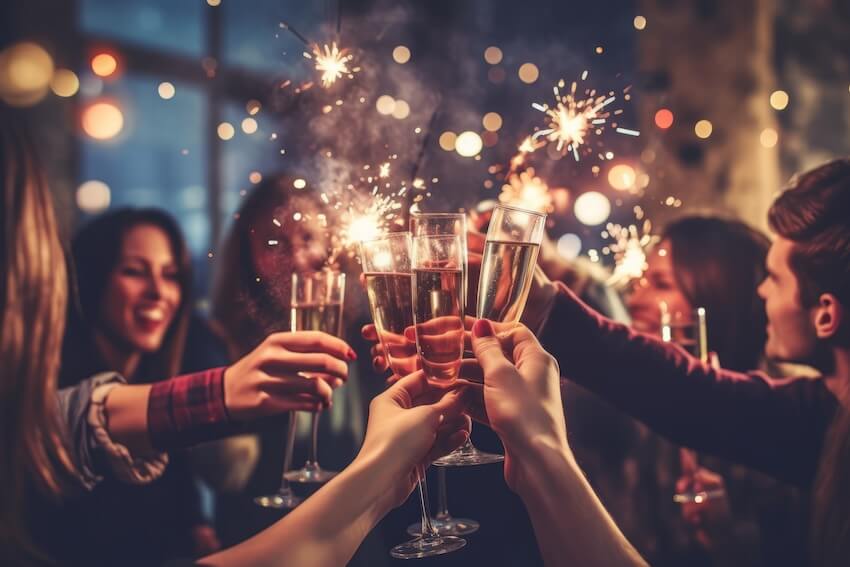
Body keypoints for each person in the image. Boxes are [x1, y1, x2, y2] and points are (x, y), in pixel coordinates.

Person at [0, 109, 470, 567]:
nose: (294, 257)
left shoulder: (363, 335)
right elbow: (93, 424)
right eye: (276, 242)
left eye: (307, 238)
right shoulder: (204, 340)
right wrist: (228, 394)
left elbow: (90, 419)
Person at [519, 159, 850, 566]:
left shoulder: (807, 425)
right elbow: (690, 391)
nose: (762, 291)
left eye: (776, 279)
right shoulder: (820, 412)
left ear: (826, 314)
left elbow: (688, 392)